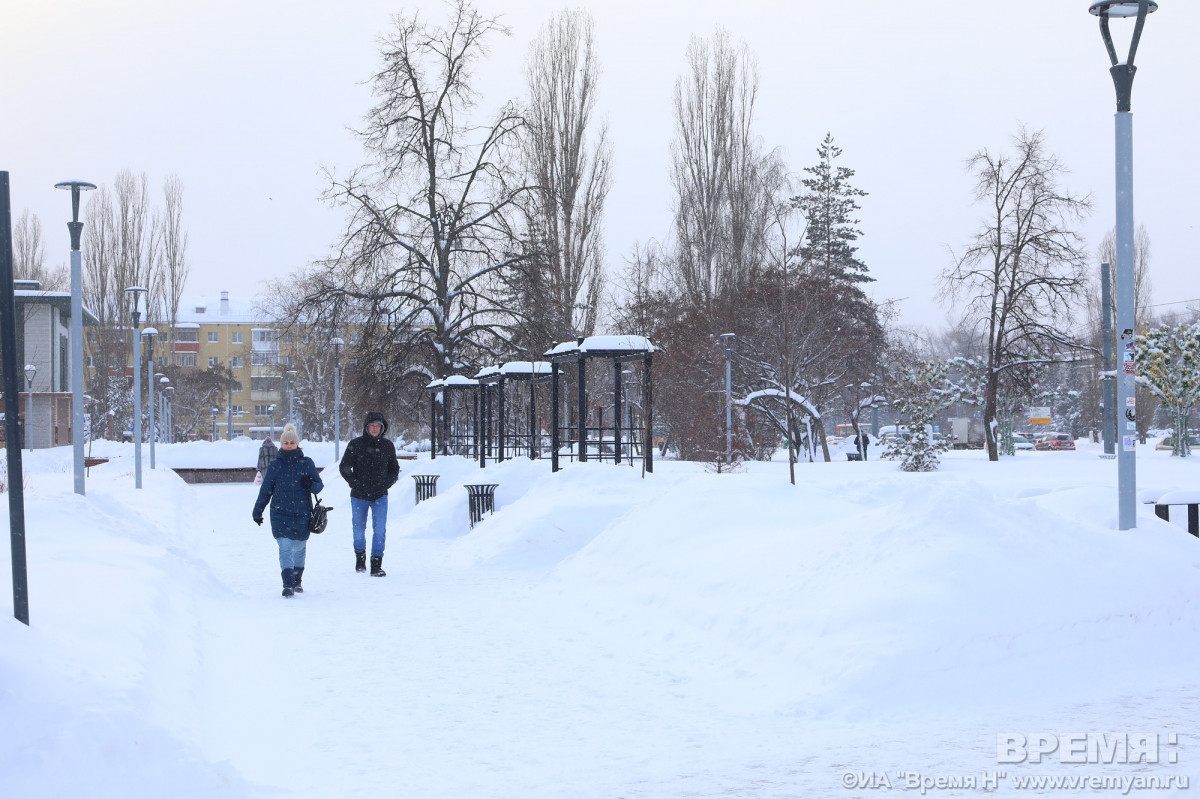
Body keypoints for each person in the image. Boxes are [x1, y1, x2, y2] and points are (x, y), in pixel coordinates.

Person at [252, 424, 323, 598]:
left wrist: (310, 484)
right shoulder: (275, 465)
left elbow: (319, 486)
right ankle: (288, 584)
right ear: (282, 445)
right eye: (286, 443)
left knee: (299, 547)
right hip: (280, 513)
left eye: (292, 442)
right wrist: (257, 511)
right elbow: (266, 490)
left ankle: (297, 580)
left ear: (297, 444)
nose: (289, 445)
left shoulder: (307, 463)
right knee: (285, 547)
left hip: (302, 513)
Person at [339, 411, 399, 577]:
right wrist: (355, 482)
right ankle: (360, 557)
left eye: (377, 426)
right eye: (371, 426)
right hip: (359, 495)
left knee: (379, 530)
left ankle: (376, 563)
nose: (374, 429)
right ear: (366, 427)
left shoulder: (387, 446)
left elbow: (394, 469)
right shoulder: (356, 444)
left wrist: (386, 484)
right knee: (358, 530)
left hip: (380, 495)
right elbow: (344, 467)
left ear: (382, 428)